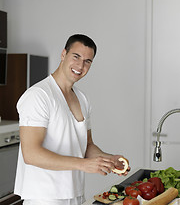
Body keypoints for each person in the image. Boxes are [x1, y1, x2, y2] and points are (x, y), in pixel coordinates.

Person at [14, 34, 130, 205]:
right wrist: (84, 165)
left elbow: (87, 146)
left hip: (75, 194)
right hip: (44, 197)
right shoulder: (38, 95)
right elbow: (31, 154)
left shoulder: (83, 98)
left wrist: (108, 160)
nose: (80, 65)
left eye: (87, 61)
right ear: (63, 54)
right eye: (76, 56)